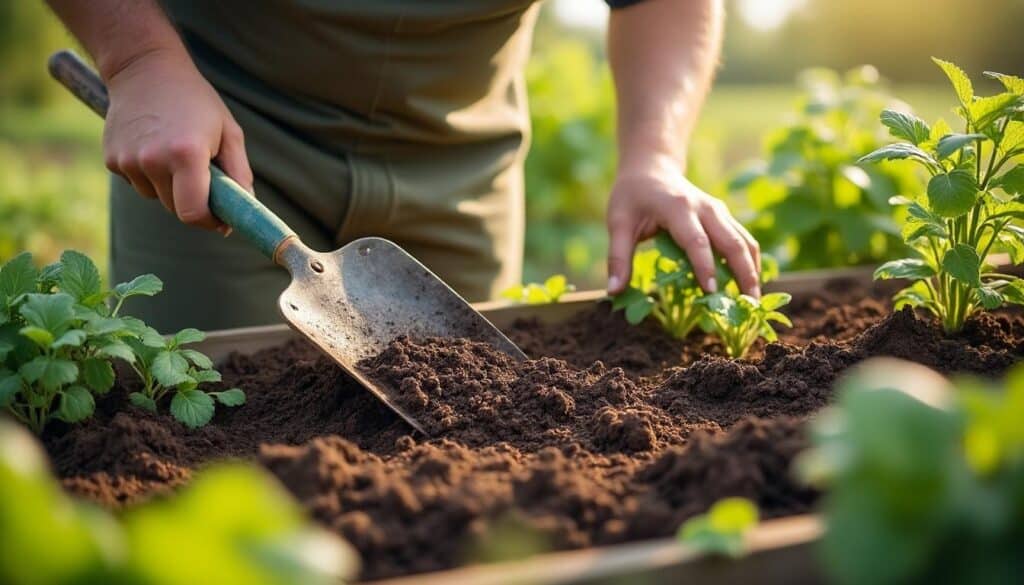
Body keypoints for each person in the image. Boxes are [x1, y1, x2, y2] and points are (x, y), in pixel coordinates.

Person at [48, 0, 761, 333]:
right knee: (203, 457)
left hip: (461, 171)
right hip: (223, 150)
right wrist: (138, 58)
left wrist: (654, 154)